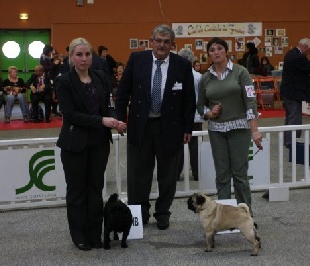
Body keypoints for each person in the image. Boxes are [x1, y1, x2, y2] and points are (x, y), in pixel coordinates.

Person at [115, 24, 195, 230]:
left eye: (166, 42)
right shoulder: (137, 60)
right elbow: (123, 92)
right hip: (140, 126)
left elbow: (189, 100)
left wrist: (188, 128)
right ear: (151, 41)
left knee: (168, 175)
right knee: (138, 174)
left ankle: (163, 213)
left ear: (172, 45)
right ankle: (139, 213)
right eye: (158, 40)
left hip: (170, 128)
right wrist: (119, 119)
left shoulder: (182, 65)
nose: (161, 45)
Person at [56, 37, 126, 251]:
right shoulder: (64, 81)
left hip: (99, 143)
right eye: (79, 55)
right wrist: (101, 121)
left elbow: (109, 105)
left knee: (95, 190)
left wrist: (114, 120)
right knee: (77, 191)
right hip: (74, 143)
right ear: (71, 58)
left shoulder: (101, 77)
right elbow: (69, 114)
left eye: (87, 54)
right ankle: (79, 236)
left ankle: (96, 234)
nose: (84, 59)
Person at [197, 37, 262, 216]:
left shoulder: (241, 72)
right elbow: (200, 105)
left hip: (239, 129)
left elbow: (250, 102)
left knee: (240, 174)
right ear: (208, 54)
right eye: (212, 50)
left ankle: (244, 215)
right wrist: (209, 113)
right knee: (222, 175)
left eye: (219, 48)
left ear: (226, 51)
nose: (216, 52)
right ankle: (223, 216)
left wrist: (254, 131)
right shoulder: (205, 78)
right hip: (216, 131)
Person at [176, 48, 203, 181]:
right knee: (195, 146)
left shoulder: (176, 75)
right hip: (196, 117)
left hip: (181, 117)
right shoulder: (198, 76)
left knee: (179, 146)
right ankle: (197, 173)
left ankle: (176, 173)